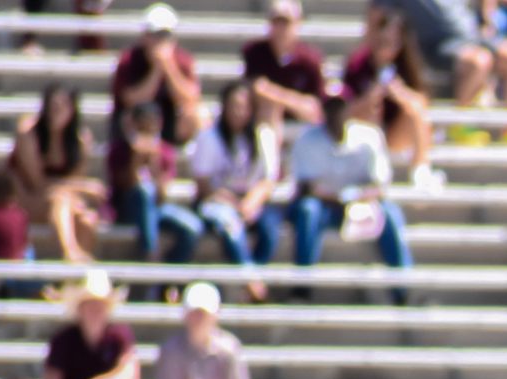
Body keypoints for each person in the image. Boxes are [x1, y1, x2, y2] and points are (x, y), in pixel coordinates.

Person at [287, 89, 414, 295]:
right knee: (308, 211)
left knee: (390, 214)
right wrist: (340, 199)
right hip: (325, 207)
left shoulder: (369, 136)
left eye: (341, 107)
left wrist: (356, 199)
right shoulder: (307, 139)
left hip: (362, 205)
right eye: (331, 107)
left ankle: (402, 291)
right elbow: (306, 187)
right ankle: (302, 287)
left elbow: (380, 186)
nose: (336, 113)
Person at [181, 81, 283, 287]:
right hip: (217, 201)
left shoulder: (263, 136)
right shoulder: (209, 136)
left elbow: (268, 180)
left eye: (243, 106)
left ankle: (254, 279)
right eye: (233, 106)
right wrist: (232, 202)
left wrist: (251, 202)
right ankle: (252, 283)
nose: (238, 112)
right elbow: (204, 184)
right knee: (230, 225)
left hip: (252, 200)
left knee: (270, 228)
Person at [42, 270, 156, 379]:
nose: (95, 311)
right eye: (90, 305)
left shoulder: (119, 335)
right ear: (79, 309)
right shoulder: (63, 340)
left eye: (99, 305)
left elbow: (130, 372)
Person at [7, 84, 101, 265]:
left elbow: (72, 182)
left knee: (87, 219)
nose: (57, 111)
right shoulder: (29, 133)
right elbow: (38, 183)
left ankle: (78, 280)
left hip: (58, 202)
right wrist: (84, 187)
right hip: (26, 198)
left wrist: (76, 189)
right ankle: (70, 255)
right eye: (53, 105)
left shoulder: (80, 139)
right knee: (61, 199)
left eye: (63, 106)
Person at [342, 6, 436, 181]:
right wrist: (372, 94)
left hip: (394, 134)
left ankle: (421, 169)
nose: (387, 48)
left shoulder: (406, 65)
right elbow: (347, 109)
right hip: (364, 132)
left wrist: (401, 95)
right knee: (369, 110)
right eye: (383, 41)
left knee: (415, 111)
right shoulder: (358, 64)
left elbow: (421, 103)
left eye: (393, 42)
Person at [109, 100, 200, 264]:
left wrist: (154, 162)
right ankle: (151, 253)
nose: (148, 131)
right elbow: (124, 186)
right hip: (128, 209)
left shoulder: (165, 151)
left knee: (192, 227)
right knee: (144, 191)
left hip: (156, 210)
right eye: (143, 125)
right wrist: (136, 159)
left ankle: (168, 276)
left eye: (152, 125)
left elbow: (161, 196)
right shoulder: (119, 149)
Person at [113, 3, 206, 147]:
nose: (160, 40)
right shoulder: (129, 60)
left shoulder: (183, 60)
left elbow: (191, 97)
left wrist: (168, 67)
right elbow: (130, 100)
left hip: (170, 120)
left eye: (165, 35)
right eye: (155, 35)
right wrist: (156, 71)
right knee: (130, 117)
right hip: (139, 122)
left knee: (198, 114)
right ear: (145, 36)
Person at [243, 0, 330, 134]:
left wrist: (274, 93)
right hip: (266, 126)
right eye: (276, 22)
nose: (280, 29)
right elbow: (255, 89)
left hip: (301, 126)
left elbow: (315, 107)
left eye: (285, 23)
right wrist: (295, 101)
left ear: (297, 24)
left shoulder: (310, 59)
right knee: (269, 107)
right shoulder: (256, 53)